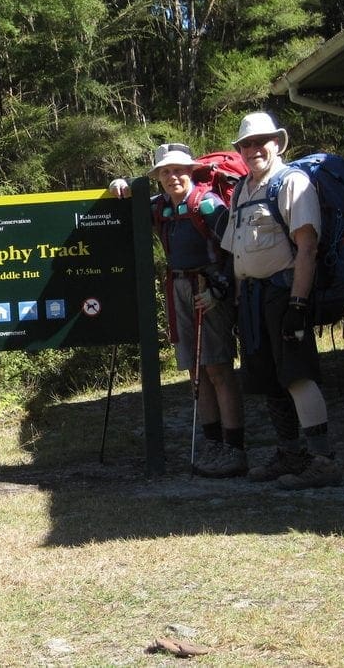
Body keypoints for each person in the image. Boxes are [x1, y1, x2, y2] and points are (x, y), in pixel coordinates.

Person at [110, 144, 246, 477]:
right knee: (195, 371)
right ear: (157, 178)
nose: (174, 177)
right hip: (179, 289)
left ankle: (234, 450)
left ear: (192, 171)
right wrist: (120, 184)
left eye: (180, 170)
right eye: (166, 171)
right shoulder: (161, 207)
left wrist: (219, 290)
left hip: (207, 289)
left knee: (218, 369)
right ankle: (213, 444)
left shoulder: (208, 204)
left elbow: (237, 248)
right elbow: (128, 196)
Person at [222, 112, 340, 489]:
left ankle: (323, 461)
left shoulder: (292, 183)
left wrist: (298, 305)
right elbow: (237, 254)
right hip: (254, 300)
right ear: (239, 150)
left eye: (261, 142)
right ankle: (290, 455)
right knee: (270, 379)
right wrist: (239, 305)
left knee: (297, 375)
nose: (254, 149)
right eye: (247, 144)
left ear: (277, 143)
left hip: (284, 293)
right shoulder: (242, 189)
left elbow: (307, 248)